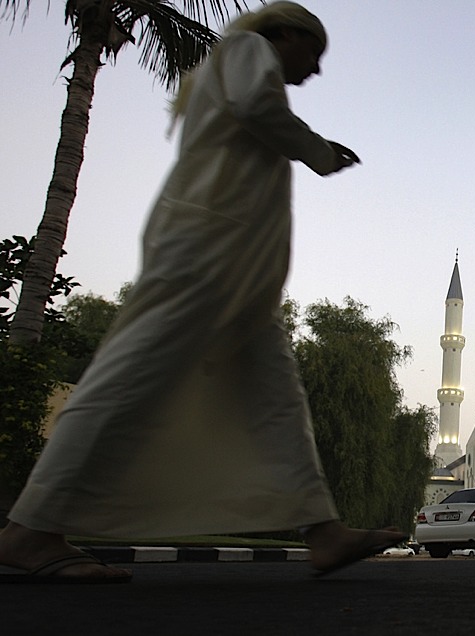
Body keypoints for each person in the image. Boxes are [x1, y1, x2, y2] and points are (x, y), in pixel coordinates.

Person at [0, 2, 403, 584]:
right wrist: (317, 151)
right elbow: (254, 105)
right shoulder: (247, 50)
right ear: (284, 34)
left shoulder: (238, 63)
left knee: (275, 395)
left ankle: (322, 528)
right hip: (203, 253)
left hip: (239, 269)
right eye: (313, 53)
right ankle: (29, 530)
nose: (315, 70)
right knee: (129, 376)